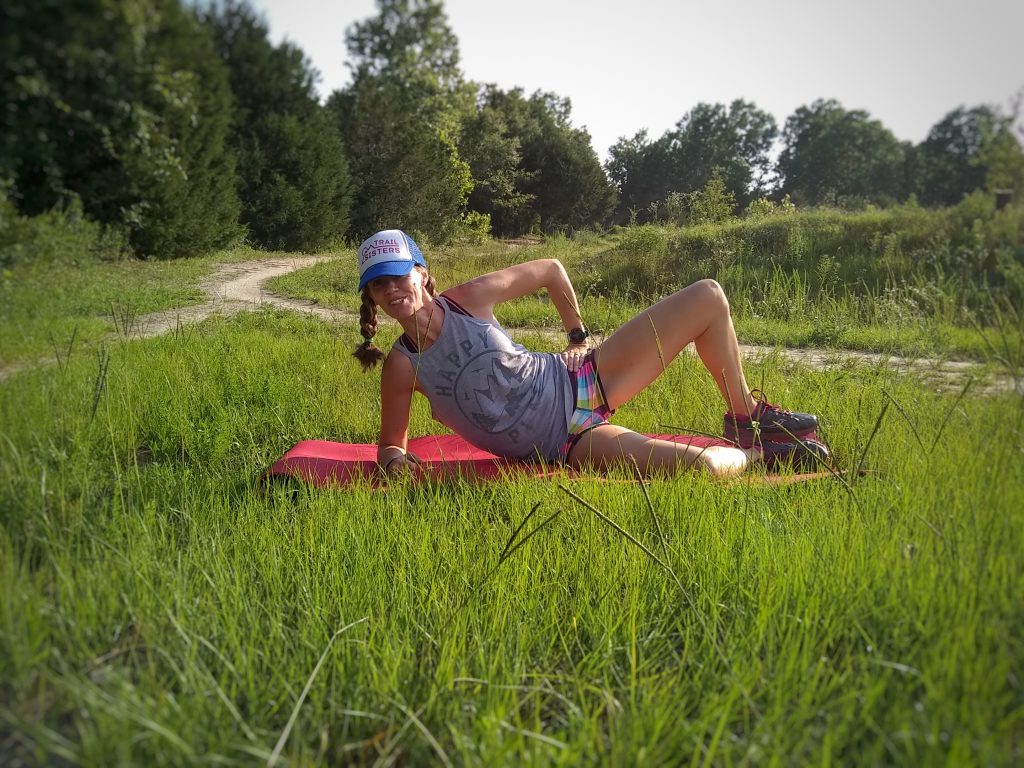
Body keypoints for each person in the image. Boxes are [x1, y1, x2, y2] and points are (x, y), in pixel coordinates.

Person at [353, 228, 829, 479]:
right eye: (379, 283)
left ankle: (746, 417)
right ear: (371, 296)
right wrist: (394, 461)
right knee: (703, 467)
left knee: (708, 296)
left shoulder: (467, 300)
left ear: (421, 272)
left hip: (581, 377)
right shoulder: (401, 366)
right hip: (569, 443)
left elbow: (551, 270)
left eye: (400, 275)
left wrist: (577, 336)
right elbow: (391, 443)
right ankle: (756, 457)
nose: (393, 289)